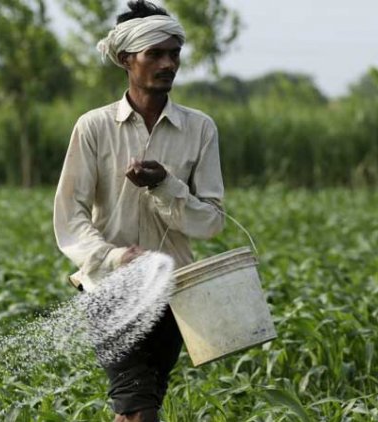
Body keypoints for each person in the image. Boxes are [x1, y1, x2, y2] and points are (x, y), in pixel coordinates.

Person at [53, 1, 225, 420]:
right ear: (127, 59)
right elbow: (69, 215)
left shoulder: (200, 128)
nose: (168, 63)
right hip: (109, 289)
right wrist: (115, 257)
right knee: (138, 407)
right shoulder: (94, 127)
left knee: (136, 406)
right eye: (155, 54)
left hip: (173, 290)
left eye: (174, 53)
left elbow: (211, 221)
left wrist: (165, 185)